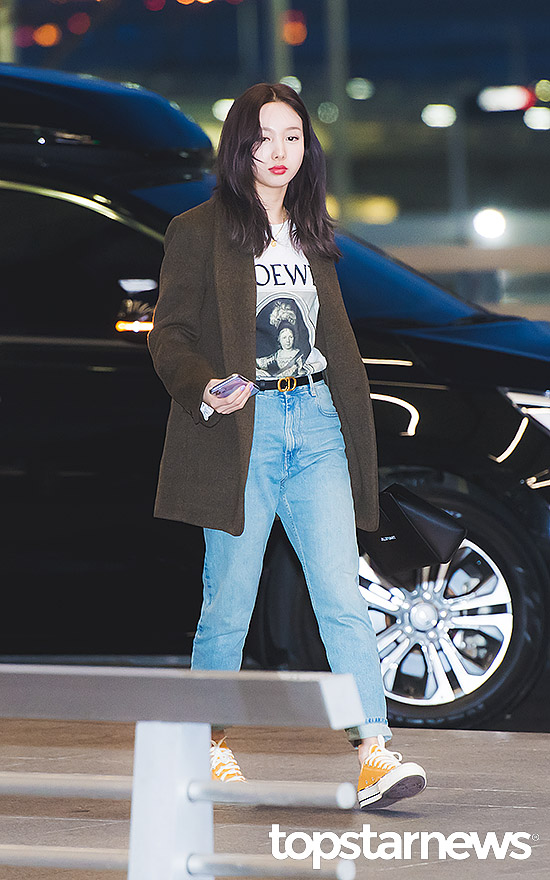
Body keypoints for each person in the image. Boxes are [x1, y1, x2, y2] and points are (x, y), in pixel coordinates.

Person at [148, 82, 426, 809]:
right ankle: (207, 745)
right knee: (228, 602)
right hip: (244, 427)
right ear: (239, 146)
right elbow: (169, 334)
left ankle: (374, 752)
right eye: (264, 137)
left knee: (342, 595)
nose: (279, 151)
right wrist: (205, 386)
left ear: (308, 148)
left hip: (317, 420)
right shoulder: (198, 229)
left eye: (293, 137)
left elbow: (337, 341)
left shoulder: (312, 232)